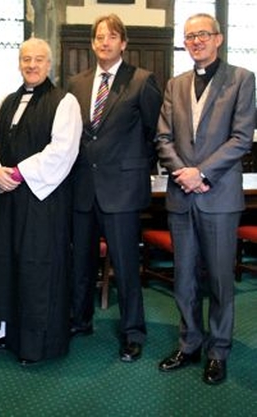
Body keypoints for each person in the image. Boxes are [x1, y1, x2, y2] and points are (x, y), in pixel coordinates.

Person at [155, 13, 255, 385]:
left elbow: (242, 138)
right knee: (183, 278)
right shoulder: (175, 84)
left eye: (202, 35)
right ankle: (190, 343)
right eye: (189, 36)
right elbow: (162, 137)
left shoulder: (242, 79)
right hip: (181, 196)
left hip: (219, 198)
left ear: (219, 38)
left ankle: (218, 351)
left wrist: (202, 172)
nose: (195, 41)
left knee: (219, 278)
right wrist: (184, 172)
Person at [0, 37, 82, 365]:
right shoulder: (6, 101)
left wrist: (18, 174)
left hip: (41, 202)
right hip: (6, 201)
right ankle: (4, 332)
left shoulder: (65, 102)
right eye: (26, 59)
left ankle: (35, 343)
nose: (31, 65)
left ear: (49, 65)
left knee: (37, 270)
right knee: (4, 264)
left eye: (38, 60)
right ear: (19, 63)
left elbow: (62, 151)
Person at [66, 14, 162, 362]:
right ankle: (80, 320)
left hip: (120, 189)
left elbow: (154, 133)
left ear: (123, 43)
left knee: (124, 266)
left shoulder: (141, 81)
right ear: (92, 43)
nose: (103, 42)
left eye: (111, 37)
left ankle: (133, 332)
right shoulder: (77, 83)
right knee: (81, 263)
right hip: (82, 187)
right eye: (98, 37)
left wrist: (132, 167)